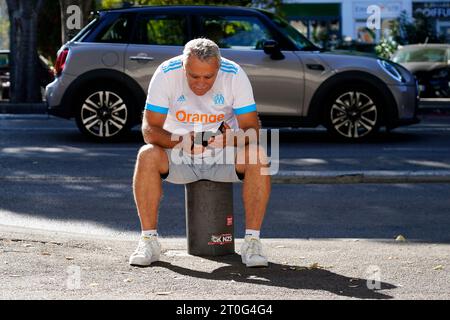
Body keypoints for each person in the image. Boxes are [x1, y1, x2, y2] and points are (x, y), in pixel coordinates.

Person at [129, 38, 271, 268]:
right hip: (178, 152)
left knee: (258, 155)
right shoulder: (166, 73)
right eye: (194, 76)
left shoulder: (234, 74)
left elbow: (253, 130)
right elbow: (149, 130)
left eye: (208, 77)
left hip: (222, 153)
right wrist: (180, 142)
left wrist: (231, 139)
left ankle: (252, 242)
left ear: (219, 67)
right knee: (147, 154)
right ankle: (149, 240)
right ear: (183, 67)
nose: (201, 84)